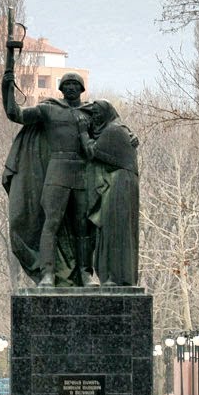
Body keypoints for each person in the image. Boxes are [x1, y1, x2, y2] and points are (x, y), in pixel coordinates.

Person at [2, 68, 98, 288]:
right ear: (62, 89)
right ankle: (47, 273)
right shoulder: (49, 110)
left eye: (76, 84)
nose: (71, 87)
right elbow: (15, 114)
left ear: (82, 89)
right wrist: (6, 87)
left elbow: (111, 130)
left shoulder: (91, 113)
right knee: (51, 224)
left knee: (83, 227)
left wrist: (127, 137)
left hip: (83, 174)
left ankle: (85, 274)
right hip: (57, 172)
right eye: (67, 84)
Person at [81, 99, 139, 286]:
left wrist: (82, 132)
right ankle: (113, 276)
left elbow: (92, 151)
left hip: (119, 184)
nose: (95, 117)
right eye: (93, 113)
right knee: (112, 230)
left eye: (98, 113)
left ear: (107, 113)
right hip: (120, 182)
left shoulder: (113, 131)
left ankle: (115, 277)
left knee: (114, 230)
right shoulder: (117, 129)